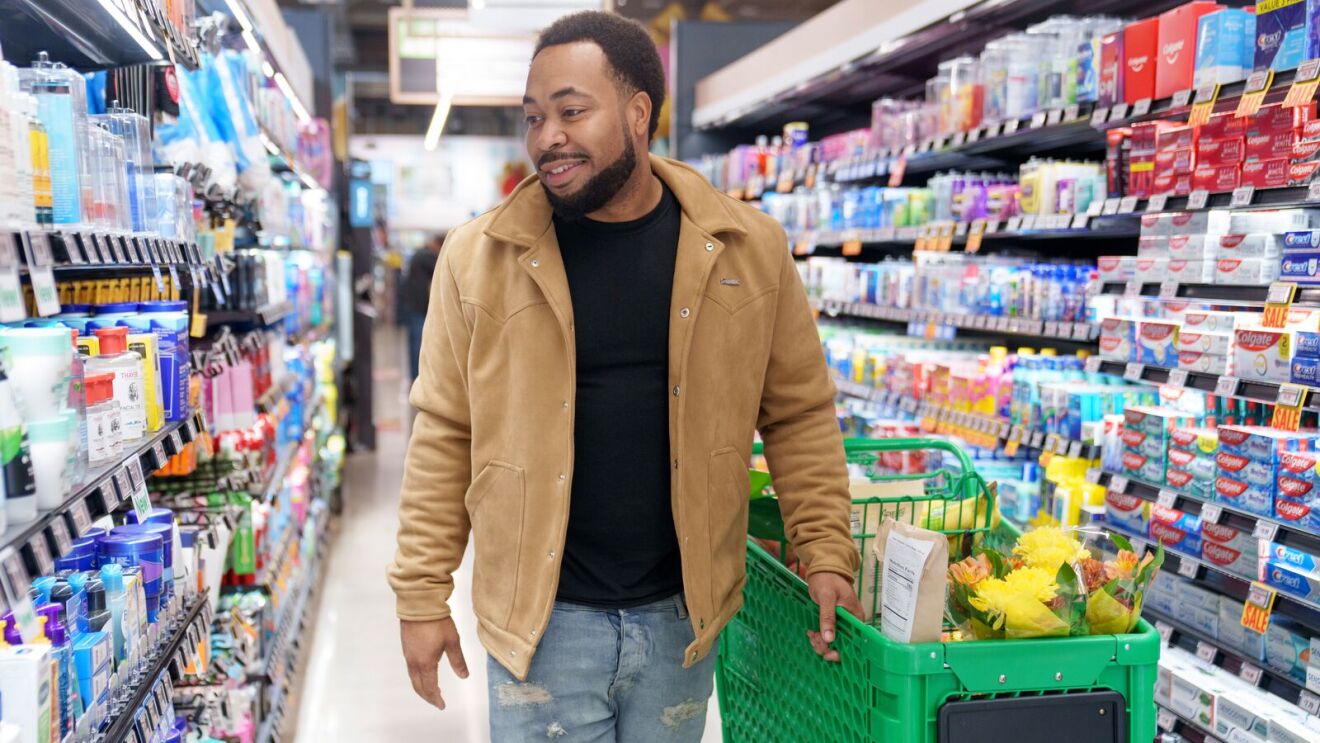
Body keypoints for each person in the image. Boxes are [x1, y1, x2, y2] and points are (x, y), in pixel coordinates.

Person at [389, 10, 861, 742]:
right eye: (534, 116)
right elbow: (444, 430)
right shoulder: (477, 257)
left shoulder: (746, 249)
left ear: (639, 113)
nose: (548, 136)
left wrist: (826, 546)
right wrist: (421, 593)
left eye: (572, 111)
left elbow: (798, 413)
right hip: (540, 627)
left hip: (682, 622)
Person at [401, 234, 443, 382]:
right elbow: (442, 266)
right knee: (417, 344)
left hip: (413, 305)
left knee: (415, 343)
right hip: (417, 307)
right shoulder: (426, 256)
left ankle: (415, 377)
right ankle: (417, 378)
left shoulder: (419, 254)